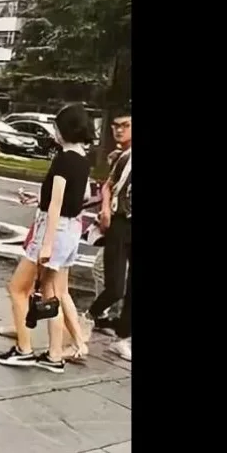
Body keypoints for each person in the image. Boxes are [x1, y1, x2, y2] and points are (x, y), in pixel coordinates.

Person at [0, 103, 94, 373]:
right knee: (52, 294)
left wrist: (46, 242)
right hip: (71, 231)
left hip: (54, 230)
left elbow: (58, 203)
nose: (54, 131)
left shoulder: (62, 159)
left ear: (65, 130)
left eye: (57, 126)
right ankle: (53, 356)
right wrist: (40, 199)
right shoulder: (83, 160)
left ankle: (24, 350)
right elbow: (79, 198)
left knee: (17, 289)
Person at [87, 106, 132, 361]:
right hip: (120, 223)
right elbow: (108, 185)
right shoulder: (125, 157)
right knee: (115, 286)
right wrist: (105, 208)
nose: (118, 130)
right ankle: (87, 317)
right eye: (116, 126)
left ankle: (123, 338)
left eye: (125, 125)